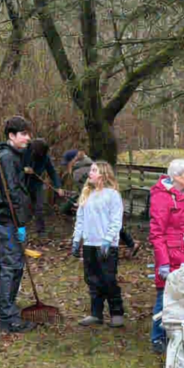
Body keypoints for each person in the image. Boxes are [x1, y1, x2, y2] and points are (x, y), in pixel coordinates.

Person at [148, 158, 184, 354]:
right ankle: (158, 338)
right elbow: (157, 234)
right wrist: (163, 263)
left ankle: (178, 335)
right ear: (176, 176)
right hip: (170, 258)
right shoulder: (161, 198)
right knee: (164, 298)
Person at [0, 116, 36, 334]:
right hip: (8, 220)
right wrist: (19, 223)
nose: (28, 138)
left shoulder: (8, 156)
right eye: (24, 134)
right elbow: (12, 193)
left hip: (6, 220)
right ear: (11, 136)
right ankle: (8, 318)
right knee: (11, 267)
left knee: (3, 265)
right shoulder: (8, 158)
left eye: (28, 133)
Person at [71, 161, 126, 328]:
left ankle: (116, 314)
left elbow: (116, 221)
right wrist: (76, 240)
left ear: (103, 174)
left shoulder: (112, 195)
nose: (90, 173)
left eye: (94, 170)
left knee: (108, 279)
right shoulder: (87, 194)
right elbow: (80, 220)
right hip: (89, 244)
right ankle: (96, 314)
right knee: (92, 279)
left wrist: (108, 240)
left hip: (107, 245)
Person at [61, 149, 138, 256]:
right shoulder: (87, 163)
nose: (66, 166)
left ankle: (129, 243)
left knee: (107, 221)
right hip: (92, 197)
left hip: (95, 198)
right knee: (109, 221)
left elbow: (88, 188)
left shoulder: (78, 171)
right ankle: (130, 243)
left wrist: (81, 203)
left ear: (72, 161)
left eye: (67, 163)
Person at [23, 138, 63, 237]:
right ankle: (20, 231)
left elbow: (52, 172)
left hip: (37, 184)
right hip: (22, 183)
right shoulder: (23, 152)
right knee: (22, 208)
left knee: (39, 207)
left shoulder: (45, 157)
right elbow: (13, 166)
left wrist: (58, 187)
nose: (41, 155)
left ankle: (41, 232)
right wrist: (23, 169)